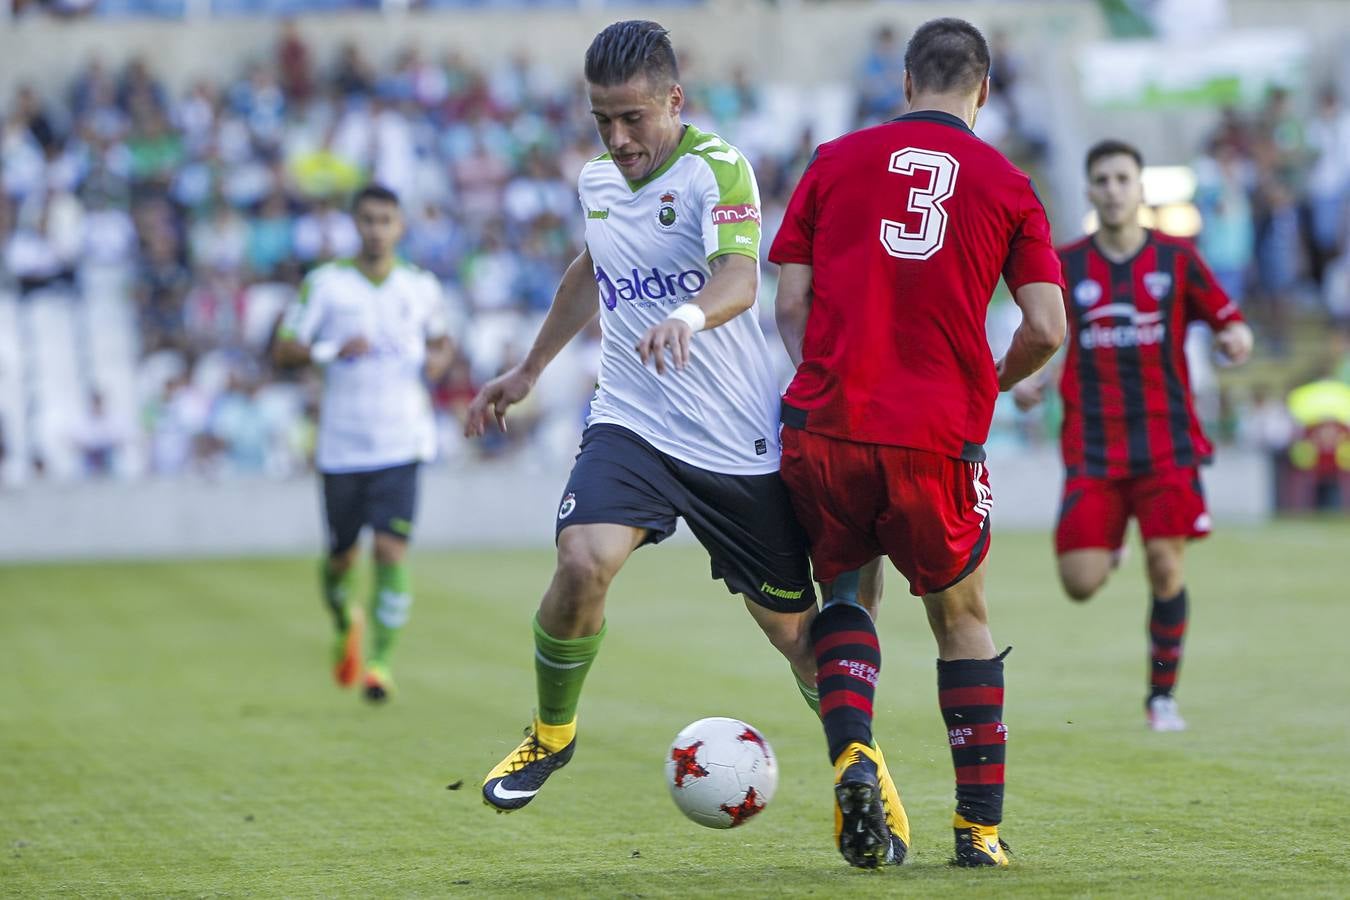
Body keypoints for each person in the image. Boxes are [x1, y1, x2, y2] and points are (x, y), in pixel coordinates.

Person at [464, 20, 906, 863]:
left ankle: (862, 765)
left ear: (674, 99)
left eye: (632, 118)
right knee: (582, 559)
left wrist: (686, 313)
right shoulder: (597, 179)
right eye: (602, 121)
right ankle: (552, 732)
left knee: (798, 642)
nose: (618, 139)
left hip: (737, 439)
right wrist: (529, 370)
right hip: (633, 418)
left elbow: (740, 276)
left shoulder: (717, 166)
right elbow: (592, 267)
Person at [770, 17, 1066, 868]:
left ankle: (856, 749)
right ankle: (977, 833)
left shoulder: (831, 161)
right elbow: (1045, 327)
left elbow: (790, 306)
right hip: (936, 433)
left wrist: (824, 378)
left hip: (828, 429)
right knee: (961, 619)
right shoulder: (1009, 183)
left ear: (904, 84)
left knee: (850, 598)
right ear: (984, 88)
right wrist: (996, 380)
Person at [1013, 140, 1254, 731]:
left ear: (1141, 188)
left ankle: (1161, 698)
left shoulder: (1177, 259)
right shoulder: (1067, 265)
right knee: (1079, 583)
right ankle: (1111, 541)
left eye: (1124, 178)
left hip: (1166, 441)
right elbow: (1048, 335)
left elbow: (1230, 321)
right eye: (1103, 179)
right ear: (1091, 191)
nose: (1114, 188)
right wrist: (1033, 380)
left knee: (1166, 566)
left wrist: (1236, 340)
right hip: (1092, 447)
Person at [273, 184, 453, 703]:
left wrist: (437, 363)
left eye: (386, 220)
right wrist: (331, 349)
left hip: (402, 441)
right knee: (341, 559)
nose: (376, 229)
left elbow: (441, 343)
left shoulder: (420, 287)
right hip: (342, 445)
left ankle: (380, 662)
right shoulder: (326, 286)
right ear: (356, 224)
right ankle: (341, 618)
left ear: (400, 227)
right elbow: (283, 349)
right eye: (368, 220)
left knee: (392, 550)